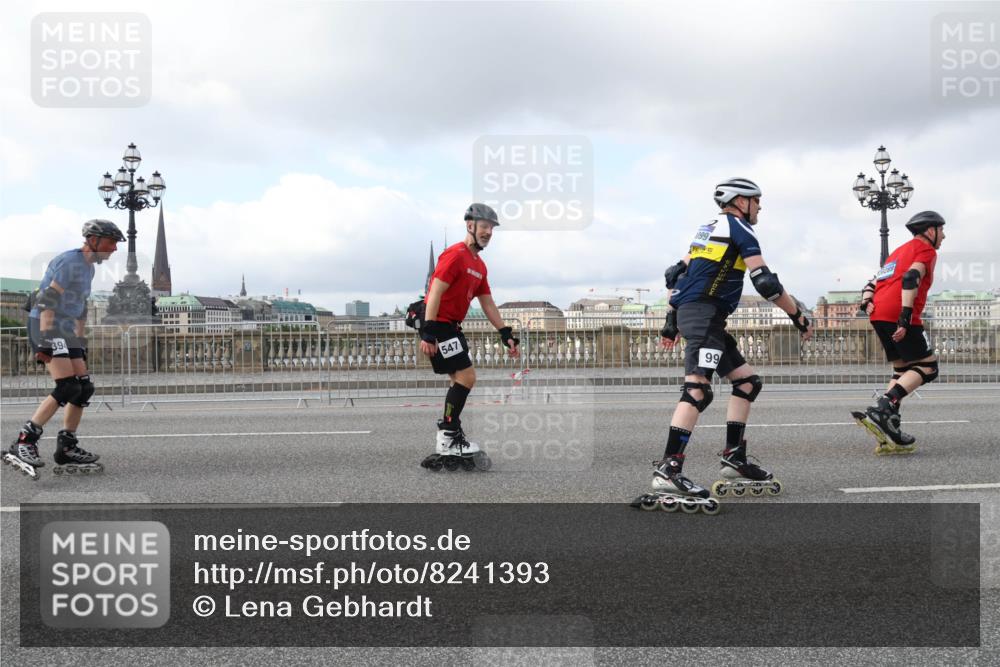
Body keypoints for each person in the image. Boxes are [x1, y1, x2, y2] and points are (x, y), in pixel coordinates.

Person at [634, 177, 814, 512]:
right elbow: (765, 282)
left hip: (703, 316)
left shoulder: (706, 229)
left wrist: (671, 321)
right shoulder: (740, 229)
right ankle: (669, 468)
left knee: (747, 383)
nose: (760, 207)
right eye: (757, 201)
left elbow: (677, 275)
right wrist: (797, 316)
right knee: (697, 389)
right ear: (741, 202)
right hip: (704, 316)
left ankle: (734, 458)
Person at [3, 219, 124, 480]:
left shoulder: (89, 269)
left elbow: (80, 306)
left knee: (83, 386)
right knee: (66, 387)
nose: (114, 248)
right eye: (111, 242)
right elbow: (48, 297)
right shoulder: (70, 262)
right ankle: (24, 441)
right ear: (93, 239)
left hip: (66, 329)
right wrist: (46, 337)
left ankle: (67, 446)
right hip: (46, 323)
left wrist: (80, 341)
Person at [418, 204, 520, 472]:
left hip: (451, 326)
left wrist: (505, 332)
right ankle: (448, 436)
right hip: (439, 325)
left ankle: (451, 433)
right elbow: (435, 293)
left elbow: (487, 303)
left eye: (491, 228)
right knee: (466, 377)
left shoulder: (479, 265)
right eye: (484, 226)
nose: (488, 232)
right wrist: (428, 331)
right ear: (470, 226)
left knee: (459, 380)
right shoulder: (455, 255)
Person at [852, 211, 945, 454]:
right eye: (941, 230)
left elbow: (871, 283)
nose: (944, 236)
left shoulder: (898, 251)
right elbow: (911, 278)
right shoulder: (926, 250)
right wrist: (905, 316)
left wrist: (865, 301)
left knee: (902, 369)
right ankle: (884, 406)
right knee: (928, 367)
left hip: (878, 313)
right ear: (930, 231)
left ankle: (889, 424)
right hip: (898, 312)